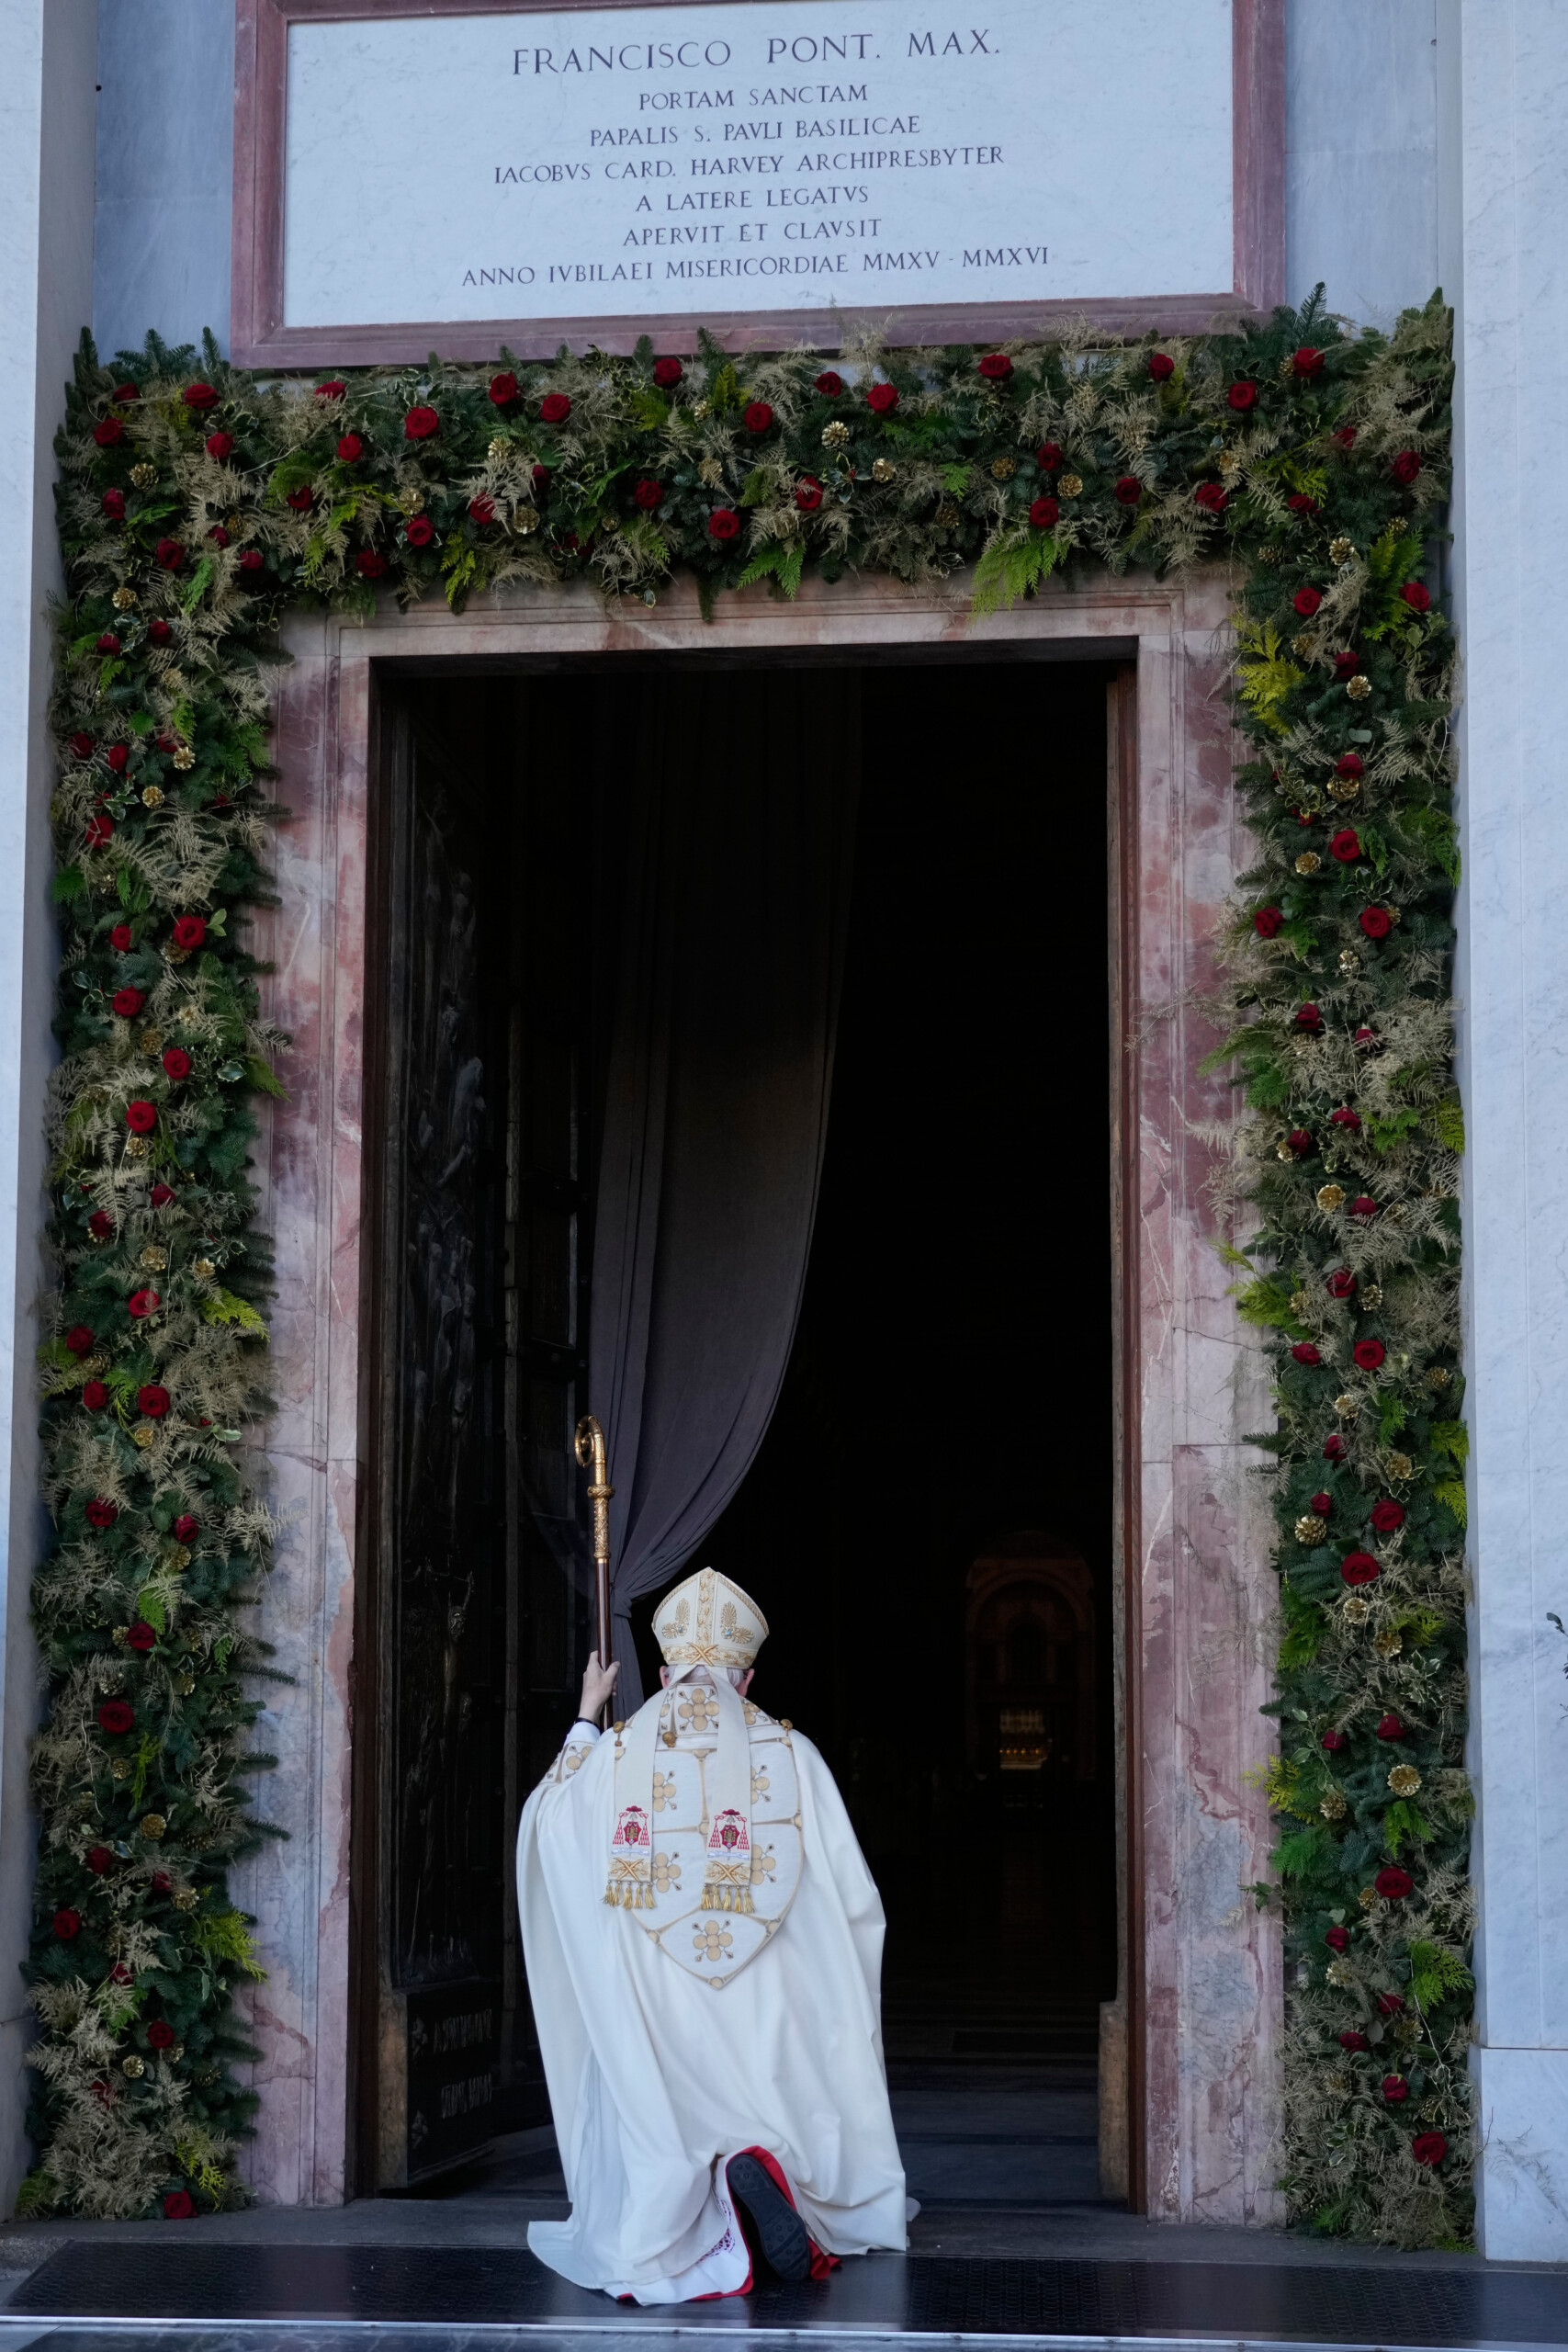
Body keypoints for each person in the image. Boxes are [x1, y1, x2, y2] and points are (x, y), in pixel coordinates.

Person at [516, 1566, 909, 2302]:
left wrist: (584, 1716)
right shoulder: (795, 1753)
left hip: (653, 2000)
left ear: (664, 1674)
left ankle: (701, 2202)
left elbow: (551, 1823)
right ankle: (768, 2177)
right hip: (765, 1996)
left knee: (656, 2106)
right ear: (748, 1677)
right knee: (781, 2071)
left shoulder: (614, 1751)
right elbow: (854, 1897)